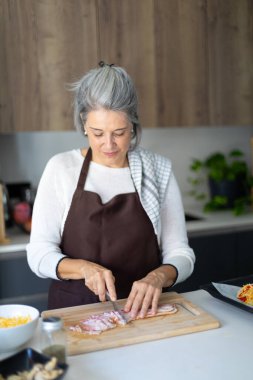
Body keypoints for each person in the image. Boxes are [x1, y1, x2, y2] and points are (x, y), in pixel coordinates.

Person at [27, 61, 195, 318]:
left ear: (133, 126)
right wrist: (83, 268)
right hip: (74, 315)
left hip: (145, 314)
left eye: (119, 132)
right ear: (84, 124)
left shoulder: (157, 170)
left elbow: (181, 253)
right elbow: (38, 254)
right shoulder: (61, 169)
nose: (108, 144)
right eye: (97, 133)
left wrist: (159, 277)